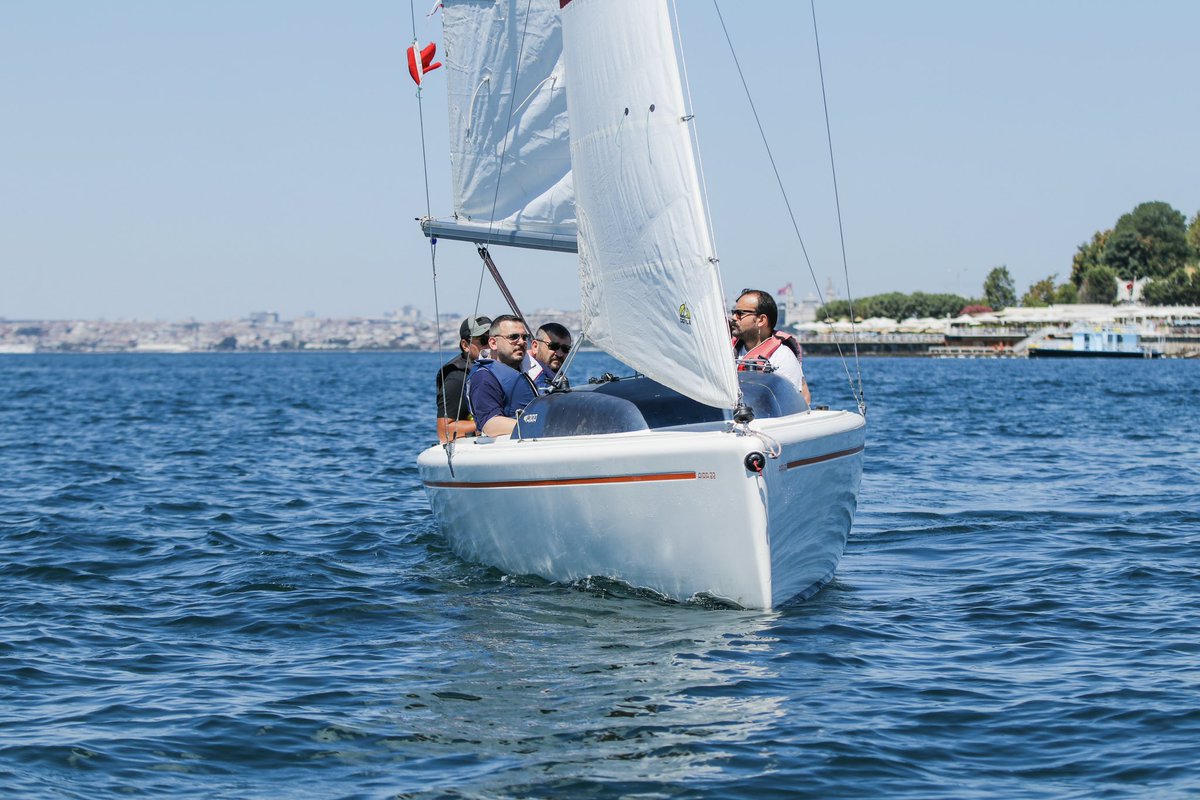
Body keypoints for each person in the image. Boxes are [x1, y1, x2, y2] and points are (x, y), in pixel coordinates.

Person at [730, 288, 811, 405]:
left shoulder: (783, 357)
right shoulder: (727, 351)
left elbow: (796, 403)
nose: (733, 318)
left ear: (761, 320)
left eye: (739, 314)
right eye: (734, 313)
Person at [467, 315, 539, 437]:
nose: (521, 342)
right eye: (513, 337)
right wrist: (541, 426)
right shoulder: (483, 378)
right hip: (509, 447)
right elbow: (490, 424)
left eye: (524, 337)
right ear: (493, 343)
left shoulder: (529, 369)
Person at [436, 314, 492, 443]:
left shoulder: (500, 368)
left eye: (493, 340)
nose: (490, 346)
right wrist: (495, 425)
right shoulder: (456, 378)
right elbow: (444, 431)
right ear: (465, 345)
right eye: (484, 341)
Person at [526, 322, 573, 392]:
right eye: (554, 346)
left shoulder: (557, 376)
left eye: (565, 348)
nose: (559, 354)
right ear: (535, 346)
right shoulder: (531, 378)